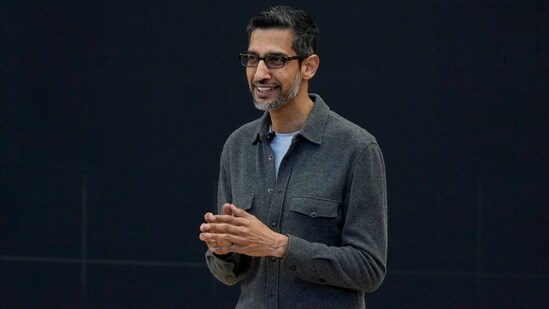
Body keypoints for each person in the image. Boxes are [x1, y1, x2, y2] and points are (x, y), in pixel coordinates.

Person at [199, 5, 387, 308]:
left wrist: (279, 246)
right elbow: (230, 274)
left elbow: (369, 268)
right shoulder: (238, 146)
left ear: (309, 66)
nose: (260, 73)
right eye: (252, 59)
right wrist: (222, 251)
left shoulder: (356, 148)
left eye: (275, 60)